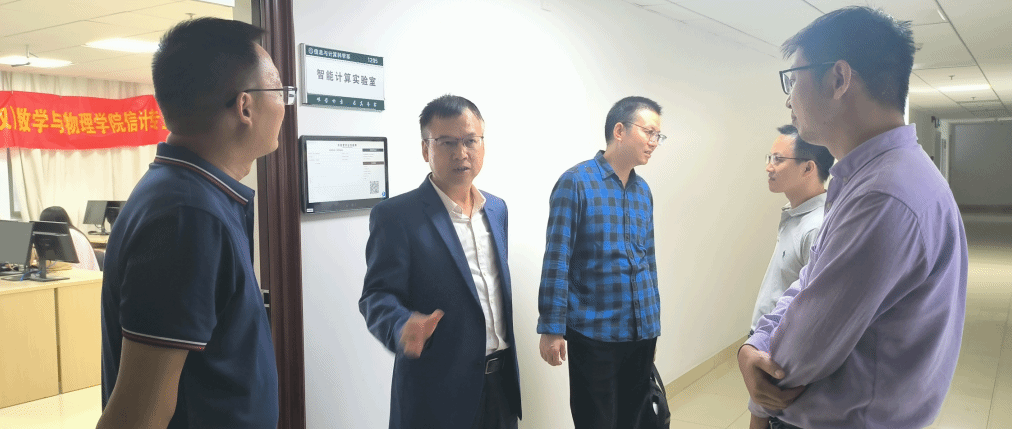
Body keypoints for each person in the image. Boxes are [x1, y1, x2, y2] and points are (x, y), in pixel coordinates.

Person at [738, 7, 968, 429]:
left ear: (839, 79)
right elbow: (809, 281)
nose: (789, 99)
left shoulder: (884, 195)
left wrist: (758, 389)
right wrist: (755, 343)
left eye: (794, 79)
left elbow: (800, 352)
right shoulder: (868, 177)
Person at [98, 17, 292, 429]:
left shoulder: (193, 196)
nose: (284, 104)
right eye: (278, 89)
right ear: (245, 106)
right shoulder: (188, 217)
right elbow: (139, 414)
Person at [359, 94, 522, 429]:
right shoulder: (396, 216)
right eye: (447, 142)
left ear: (482, 145)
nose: (461, 153)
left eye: (470, 141)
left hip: (500, 387)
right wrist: (401, 325)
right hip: (436, 392)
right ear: (425, 150)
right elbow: (376, 296)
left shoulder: (497, 209)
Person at [538, 96, 663, 429]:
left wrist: (652, 325)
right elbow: (557, 258)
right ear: (619, 130)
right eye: (649, 132)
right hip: (594, 332)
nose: (654, 142)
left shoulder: (642, 191)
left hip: (640, 331)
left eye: (658, 136)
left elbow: (648, 260)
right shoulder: (576, 182)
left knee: (634, 420)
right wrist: (551, 328)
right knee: (597, 421)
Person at [748, 125, 833, 335]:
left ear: (808, 168)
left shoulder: (817, 226)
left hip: (777, 342)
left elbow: (814, 308)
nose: (769, 167)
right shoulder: (795, 213)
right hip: (764, 336)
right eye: (770, 158)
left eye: (778, 159)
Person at [38, 206, 101, 271]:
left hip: (81, 273)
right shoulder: (70, 232)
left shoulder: (68, 235)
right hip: (79, 272)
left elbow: (62, 264)